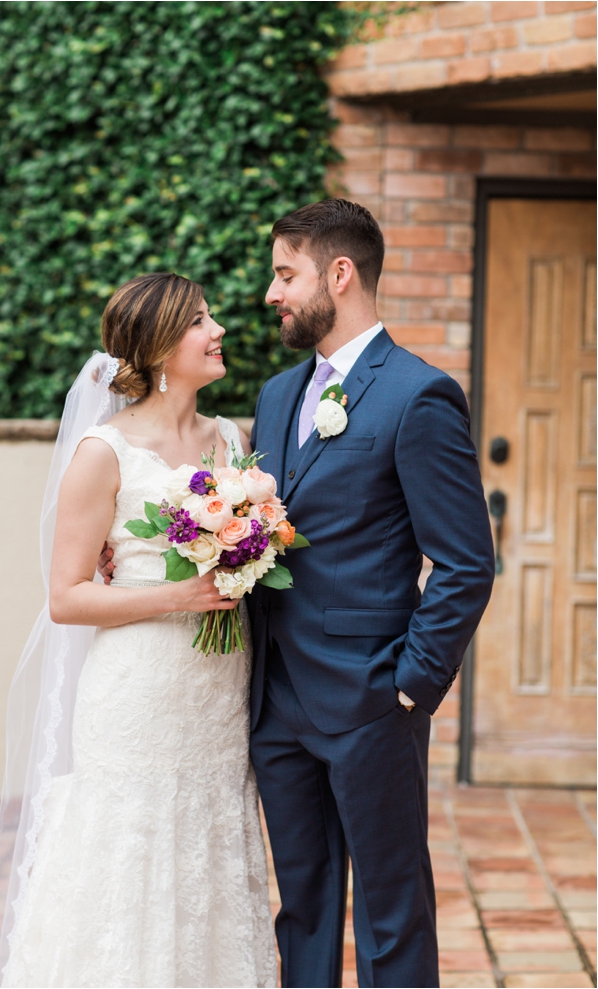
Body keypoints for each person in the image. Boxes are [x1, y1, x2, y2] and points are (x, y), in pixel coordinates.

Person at [0, 273, 277, 988]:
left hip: (216, 689)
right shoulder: (102, 451)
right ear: (157, 346)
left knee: (207, 839)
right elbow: (66, 596)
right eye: (200, 323)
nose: (218, 333)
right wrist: (181, 592)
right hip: (137, 690)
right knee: (129, 846)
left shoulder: (230, 438)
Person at [245, 199, 495, 988]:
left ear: (340, 273)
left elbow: (465, 563)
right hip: (277, 701)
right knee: (305, 908)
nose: (271, 292)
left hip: (371, 702)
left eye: (285, 272)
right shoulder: (279, 397)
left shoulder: (419, 396)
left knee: (392, 914)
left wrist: (410, 687)